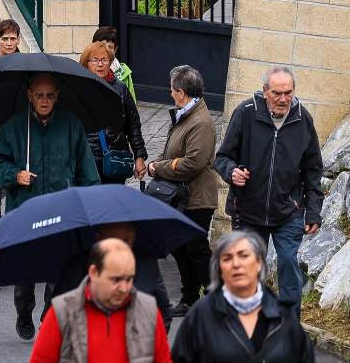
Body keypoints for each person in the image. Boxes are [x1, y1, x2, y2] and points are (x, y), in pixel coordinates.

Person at [0, 74, 101, 341]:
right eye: (39, 95)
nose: (44, 100)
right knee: (25, 272)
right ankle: (23, 310)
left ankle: (50, 314)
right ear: (29, 96)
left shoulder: (72, 125)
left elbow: (87, 170)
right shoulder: (15, 127)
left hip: (63, 210)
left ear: (57, 95)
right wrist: (14, 175)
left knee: (59, 271)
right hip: (25, 211)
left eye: (49, 95)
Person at [171, 230, 322, 363]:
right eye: (227, 258)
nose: (236, 264)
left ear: (259, 263)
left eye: (243, 256)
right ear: (219, 268)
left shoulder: (283, 317)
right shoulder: (202, 315)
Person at [21, 239, 173, 363]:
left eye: (129, 278)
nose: (124, 288)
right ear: (94, 272)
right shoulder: (62, 313)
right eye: (116, 279)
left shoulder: (147, 312)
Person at [214, 66, 324, 311]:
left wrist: (313, 211)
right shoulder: (245, 113)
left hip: (288, 210)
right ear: (265, 91)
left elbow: (313, 169)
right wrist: (232, 172)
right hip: (248, 211)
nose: (284, 99)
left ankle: (288, 333)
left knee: (287, 264)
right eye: (277, 93)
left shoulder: (302, 118)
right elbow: (221, 158)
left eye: (288, 92)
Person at [146, 65, 218, 317]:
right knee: (179, 247)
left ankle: (213, 298)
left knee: (196, 249)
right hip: (179, 197)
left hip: (196, 199)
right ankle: (189, 297)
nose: (170, 94)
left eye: (172, 90)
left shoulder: (201, 122)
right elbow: (172, 153)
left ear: (182, 92)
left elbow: (192, 163)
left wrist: (159, 167)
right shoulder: (184, 114)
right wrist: (158, 161)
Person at [80, 41, 147, 182]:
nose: (100, 64)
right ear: (87, 63)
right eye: (95, 60)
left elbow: (133, 125)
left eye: (104, 60)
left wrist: (139, 157)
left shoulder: (120, 89)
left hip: (115, 158)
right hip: (87, 161)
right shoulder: (80, 90)